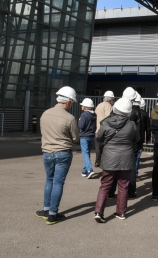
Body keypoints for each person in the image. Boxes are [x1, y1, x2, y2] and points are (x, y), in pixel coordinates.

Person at [36, 86, 79, 225]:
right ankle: (53, 214)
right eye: (72, 102)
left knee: (49, 179)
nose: (72, 104)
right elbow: (75, 138)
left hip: (47, 152)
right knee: (58, 182)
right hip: (63, 153)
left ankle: (46, 209)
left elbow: (43, 132)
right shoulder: (70, 118)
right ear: (68, 102)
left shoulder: (45, 114)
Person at [94, 98, 140, 222]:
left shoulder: (106, 122)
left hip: (109, 157)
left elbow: (98, 137)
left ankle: (98, 211)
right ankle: (121, 212)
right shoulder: (132, 124)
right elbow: (137, 139)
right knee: (123, 186)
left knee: (105, 185)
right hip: (126, 157)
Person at [122, 87, 141, 199]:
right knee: (132, 168)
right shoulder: (136, 111)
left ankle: (110, 192)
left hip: (117, 142)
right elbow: (138, 130)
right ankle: (131, 192)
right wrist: (139, 144)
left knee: (116, 167)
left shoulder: (116, 107)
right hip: (132, 142)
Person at [94, 91, 115, 167]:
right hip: (105, 130)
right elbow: (108, 118)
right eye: (113, 99)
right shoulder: (108, 106)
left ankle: (97, 161)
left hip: (97, 129)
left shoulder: (99, 105)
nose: (113, 101)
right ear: (110, 99)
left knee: (98, 147)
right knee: (105, 147)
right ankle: (103, 162)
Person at [78, 98, 97, 179]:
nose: (81, 106)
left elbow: (81, 126)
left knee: (85, 153)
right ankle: (84, 170)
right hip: (91, 136)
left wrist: (79, 121)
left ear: (85, 107)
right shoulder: (94, 115)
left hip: (84, 136)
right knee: (87, 153)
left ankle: (89, 170)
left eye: (82, 105)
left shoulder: (84, 115)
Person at [136, 95, 151, 182]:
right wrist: (148, 138)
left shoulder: (129, 111)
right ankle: (135, 174)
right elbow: (148, 128)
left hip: (130, 138)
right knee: (137, 157)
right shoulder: (144, 113)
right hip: (140, 138)